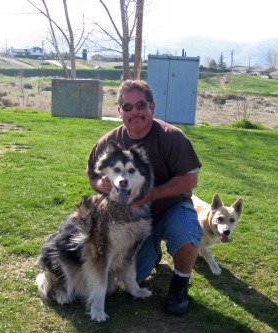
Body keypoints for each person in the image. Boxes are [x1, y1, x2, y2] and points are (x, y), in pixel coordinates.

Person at [86, 80, 203, 315]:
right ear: (120, 112)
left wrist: (152, 194)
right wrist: (102, 183)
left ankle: (179, 285)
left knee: (188, 234)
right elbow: (92, 177)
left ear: (152, 106)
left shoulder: (173, 137)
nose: (135, 111)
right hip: (132, 220)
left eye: (141, 105)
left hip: (170, 208)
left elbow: (190, 180)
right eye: (127, 107)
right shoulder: (108, 142)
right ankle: (152, 249)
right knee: (134, 276)